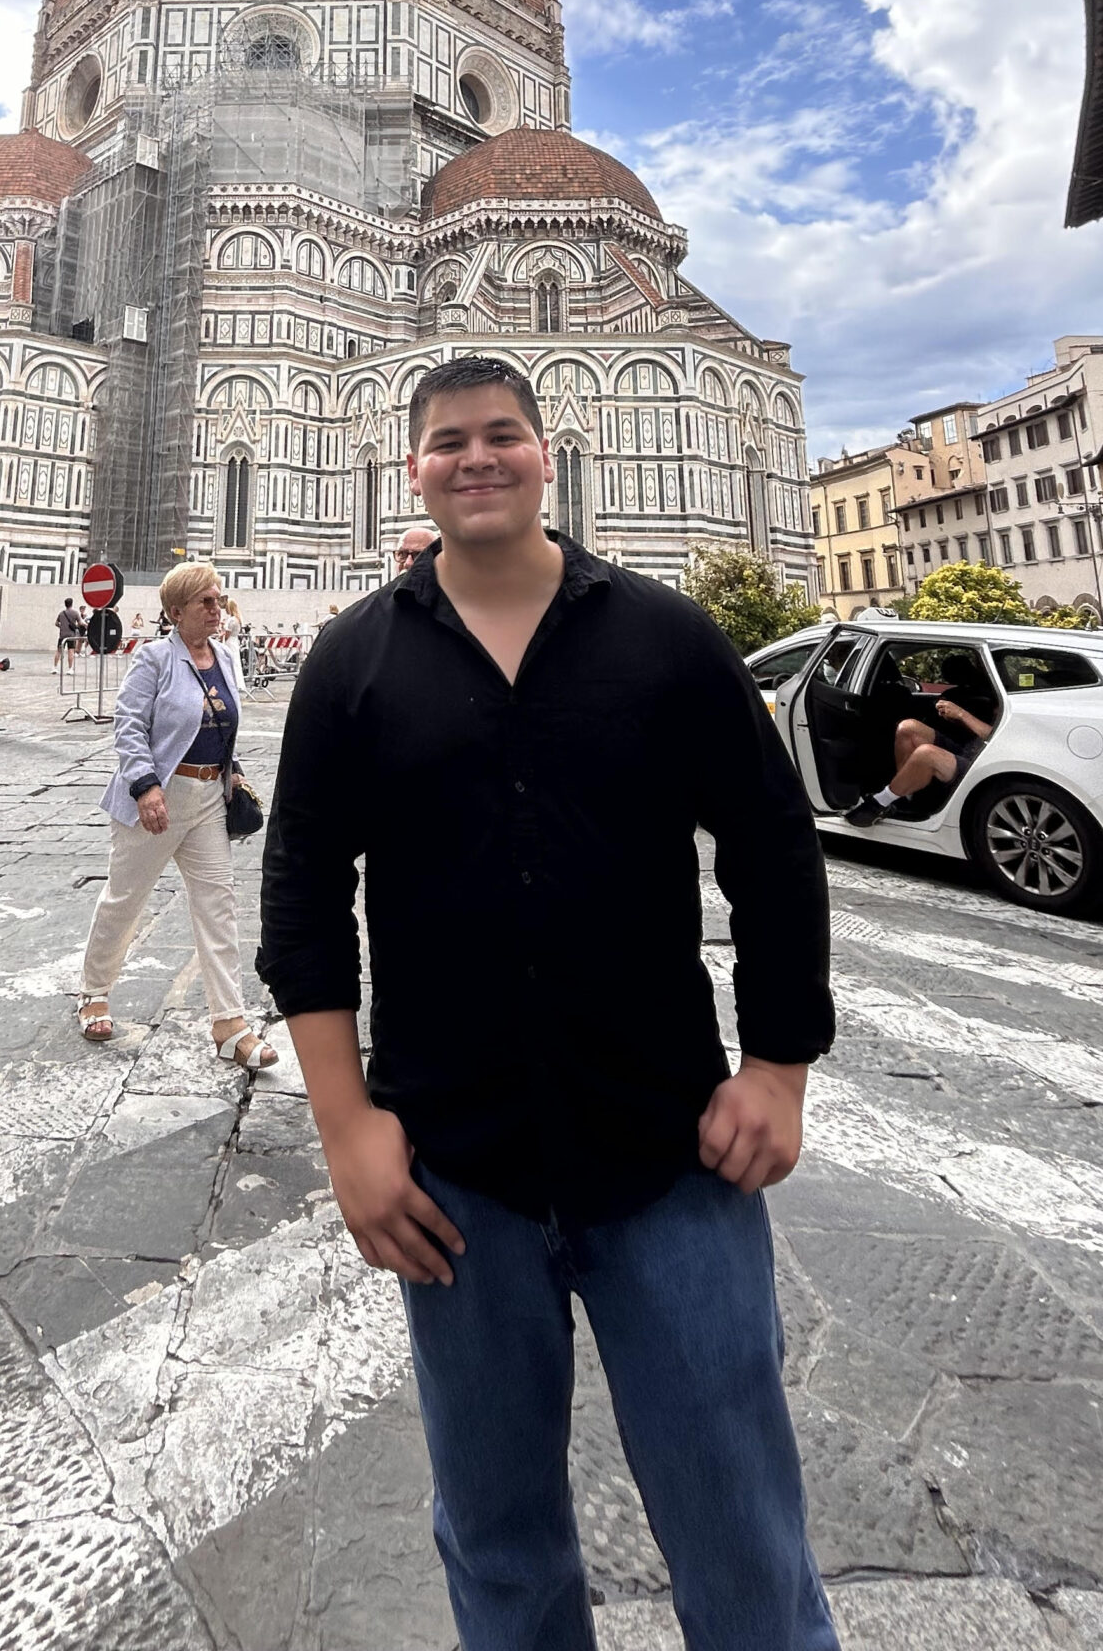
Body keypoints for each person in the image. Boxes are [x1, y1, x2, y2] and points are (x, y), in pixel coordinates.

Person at [258, 355, 837, 1651]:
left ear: (547, 452)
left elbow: (772, 849)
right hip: (459, 1181)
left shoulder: (664, 635)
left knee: (743, 1538)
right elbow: (299, 899)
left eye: (502, 436)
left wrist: (781, 1067)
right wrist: (347, 1128)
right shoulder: (354, 659)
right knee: (502, 1549)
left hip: (669, 1156)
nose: (477, 459)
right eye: (449, 441)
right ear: (408, 467)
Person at [78, 560, 277, 1068]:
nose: (217, 609)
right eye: (206, 602)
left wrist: (231, 771)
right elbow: (128, 725)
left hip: (209, 799)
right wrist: (145, 787)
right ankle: (94, 991)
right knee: (124, 900)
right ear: (176, 611)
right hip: (159, 800)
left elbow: (223, 722)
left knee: (218, 904)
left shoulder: (226, 657)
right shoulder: (153, 660)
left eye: (218, 599)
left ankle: (229, 1023)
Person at [845, 657, 996, 828]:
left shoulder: (1003, 698)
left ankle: (880, 802)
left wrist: (962, 714)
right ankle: (902, 795)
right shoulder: (959, 694)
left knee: (927, 753)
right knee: (908, 728)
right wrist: (954, 718)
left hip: (983, 761)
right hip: (965, 750)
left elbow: (996, 735)